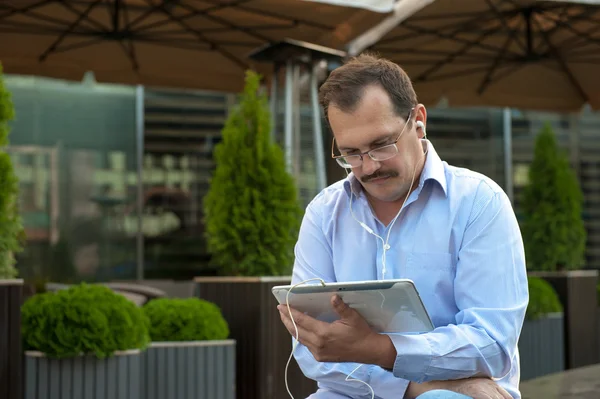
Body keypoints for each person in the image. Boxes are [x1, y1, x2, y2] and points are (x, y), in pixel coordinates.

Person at [277, 53, 529, 399]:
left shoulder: (478, 203)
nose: (367, 167)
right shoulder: (323, 213)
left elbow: (492, 345)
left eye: (381, 145)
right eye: (351, 153)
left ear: (418, 121)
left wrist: (379, 350)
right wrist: (415, 383)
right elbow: (312, 348)